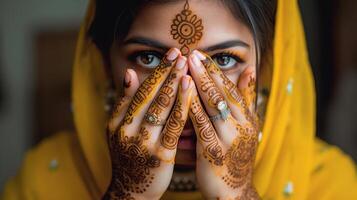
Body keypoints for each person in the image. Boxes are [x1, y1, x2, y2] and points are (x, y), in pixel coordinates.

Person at [2, 0, 357, 199]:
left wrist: (237, 193)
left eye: (222, 60)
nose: (186, 96)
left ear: (267, 67)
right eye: (151, 58)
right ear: (103, 64)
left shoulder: (327, 185)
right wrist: (129, 194)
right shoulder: (44, 182)